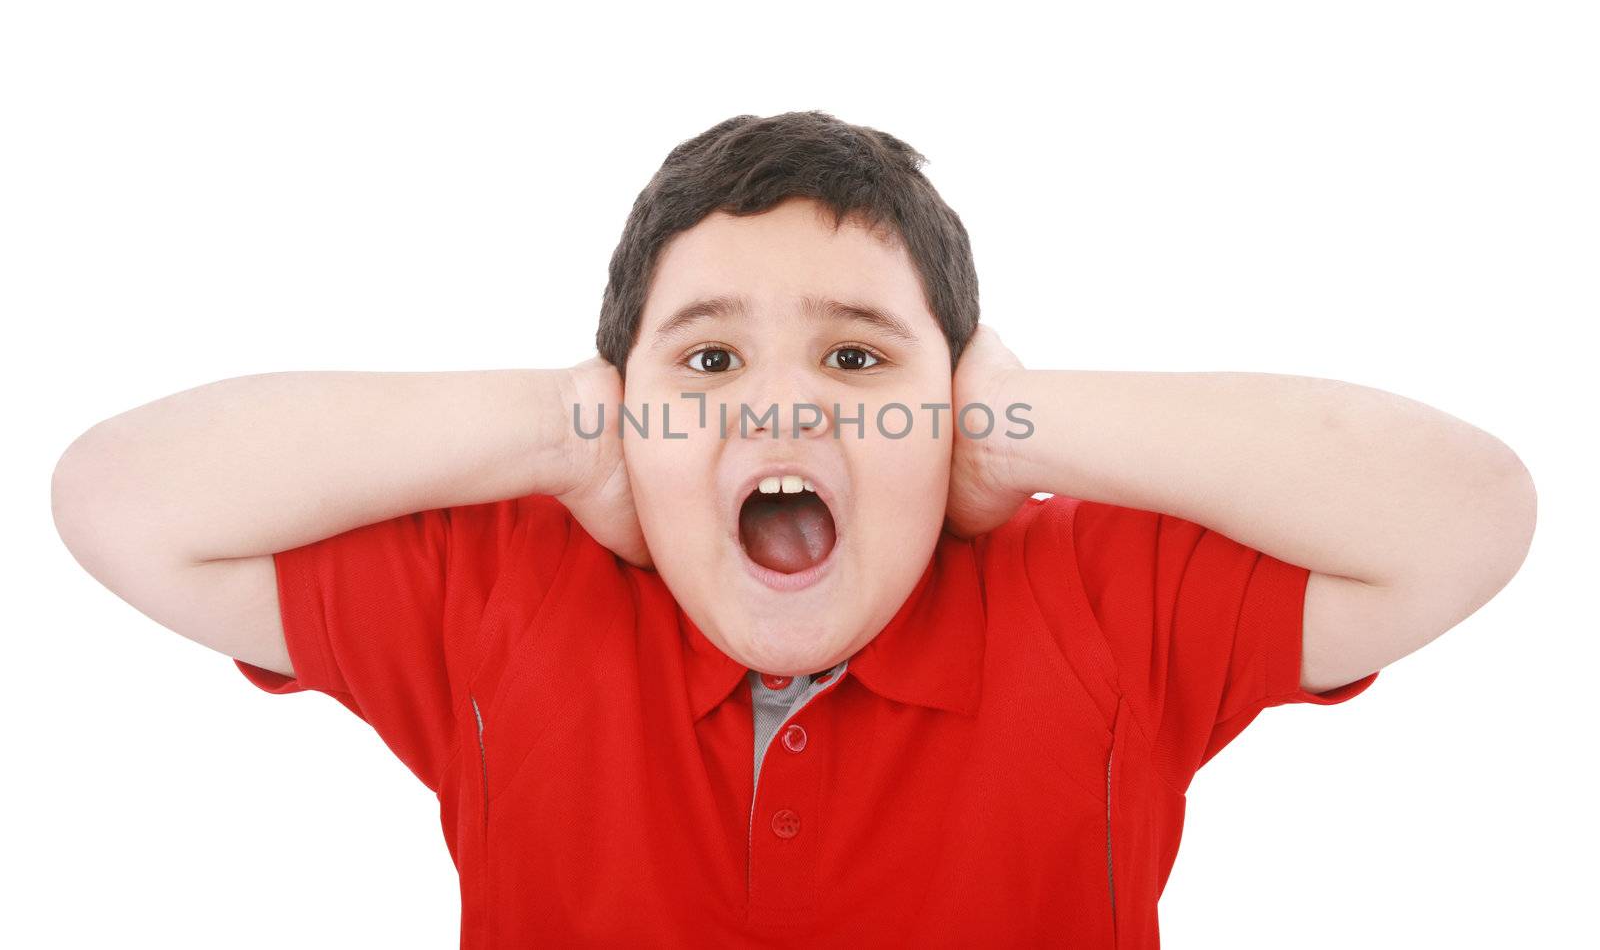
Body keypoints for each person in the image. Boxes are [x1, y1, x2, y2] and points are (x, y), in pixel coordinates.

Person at [50, 110, 1537, 948]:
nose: (777, 411)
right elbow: (119, 501)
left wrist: (1015, 425)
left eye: (856, 359)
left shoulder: (1092, 596)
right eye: (706, 360)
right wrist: (565, 430)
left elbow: (1467, 518)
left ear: (949, 410)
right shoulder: (502, 594)